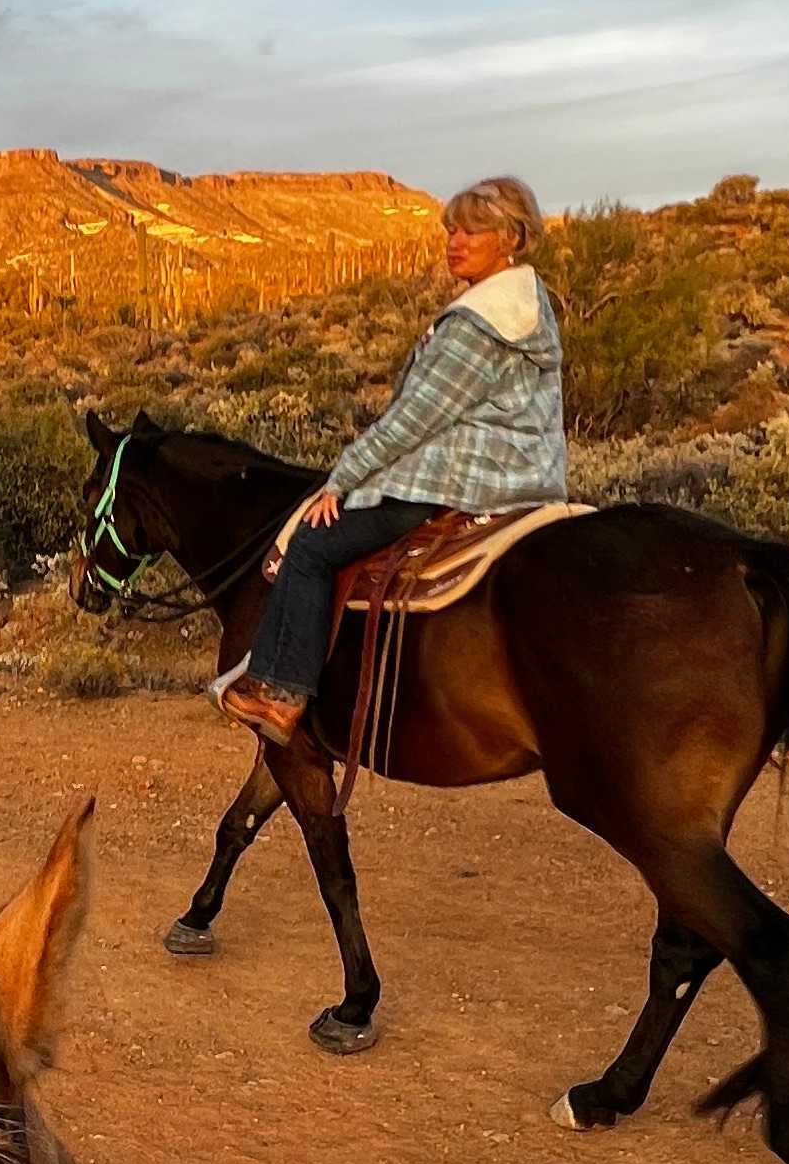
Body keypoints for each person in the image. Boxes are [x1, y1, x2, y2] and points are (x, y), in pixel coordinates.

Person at [213, 173, 566, 744]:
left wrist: (342, 479)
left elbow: (412, 420)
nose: (454, 242)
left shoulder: (479, 324)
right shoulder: (527, 305)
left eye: (471, 232)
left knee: (314, 543)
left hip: (465, 475)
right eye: (451, 230)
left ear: (510, 239)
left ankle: (281, 692)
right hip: (524, 470)